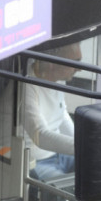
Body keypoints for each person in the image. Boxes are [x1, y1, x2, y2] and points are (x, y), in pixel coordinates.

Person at [23, 43, 82, 182]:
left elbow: (61, 116)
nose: (79, 69)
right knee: (71, 192)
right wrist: (83, 147)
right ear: (52, 64)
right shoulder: (25, 87)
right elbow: (40, 136)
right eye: (75, 63)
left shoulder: (56, 80)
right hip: (33, 162)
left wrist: (83, 142)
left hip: (56, 155)